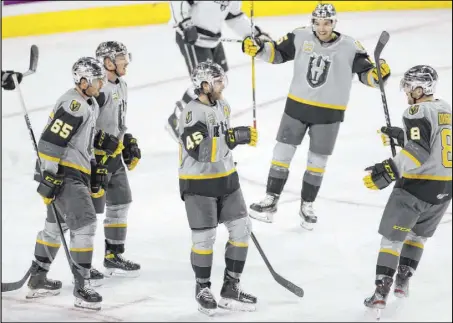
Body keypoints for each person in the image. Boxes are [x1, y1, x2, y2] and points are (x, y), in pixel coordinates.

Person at [242, 3, 391, 229]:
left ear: (334, 23)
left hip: (329, 114)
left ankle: (307, 205)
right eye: (318, 22)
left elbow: (367, 74)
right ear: (312, 22)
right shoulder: (300, 36)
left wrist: (379, 75)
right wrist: (257, 48)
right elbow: (276, 53)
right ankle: (271, 200)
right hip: (296, 108)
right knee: (281, 153)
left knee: (317, 161)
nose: (322, 27)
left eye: (327, 23)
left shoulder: (350, 46)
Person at [28, 57, 121, 310]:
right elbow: (49, 144)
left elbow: (78, 137)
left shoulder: (87, 102)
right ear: (83, 81)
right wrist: (49, 177)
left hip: (71, 171)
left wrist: (101, 141)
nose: (101, 84)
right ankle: (82, 286)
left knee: (54, 228)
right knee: (86, 223)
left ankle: (38, 277)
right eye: (97, 80)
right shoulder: (74, 104)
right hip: (64, 173)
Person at [363, 65, 451, 311]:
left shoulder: (416, 110)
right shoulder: (447, 109)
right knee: (417, 235)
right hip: (445, 190)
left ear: (420, 88)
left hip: (416, 187)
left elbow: (418, 152)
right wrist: (402, 137)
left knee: (392, 239)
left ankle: (381, 293)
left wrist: (389, 169)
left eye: (410, 87)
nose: (407, 92)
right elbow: (433, 143)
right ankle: (403, 281)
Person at [178, 60, 258, 315]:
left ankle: (231, 286)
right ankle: (202, 288)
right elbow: (200, 151)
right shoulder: (191, 113)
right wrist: (233, 138)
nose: (222, 85)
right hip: (199, 184)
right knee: (204, 239)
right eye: (217, 81)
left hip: (227, 180)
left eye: (222, 79)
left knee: (242, 228)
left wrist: (232, 138)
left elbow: (222, 141)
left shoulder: (223, 105)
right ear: (203, 85)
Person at [166, 0, 270, 141]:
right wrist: (185, 23)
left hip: (213, 40)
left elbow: (234, 17)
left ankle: (201, 123)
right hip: (193, 39)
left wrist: (255, 34)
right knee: (204, 84)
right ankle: (176, 121)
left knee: (218, 82)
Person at [92, 41, 141, 278]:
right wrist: (99, 142)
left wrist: (127, 140)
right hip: (93, 160)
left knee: (121, 203)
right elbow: (84, 124)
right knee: (87, 213)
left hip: (113, 159)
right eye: (121, 57)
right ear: (108, 62)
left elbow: (118, 120)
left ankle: (113, 256)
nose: (126, 60)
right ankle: (83, 263)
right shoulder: (97, 89)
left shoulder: (122, 85)